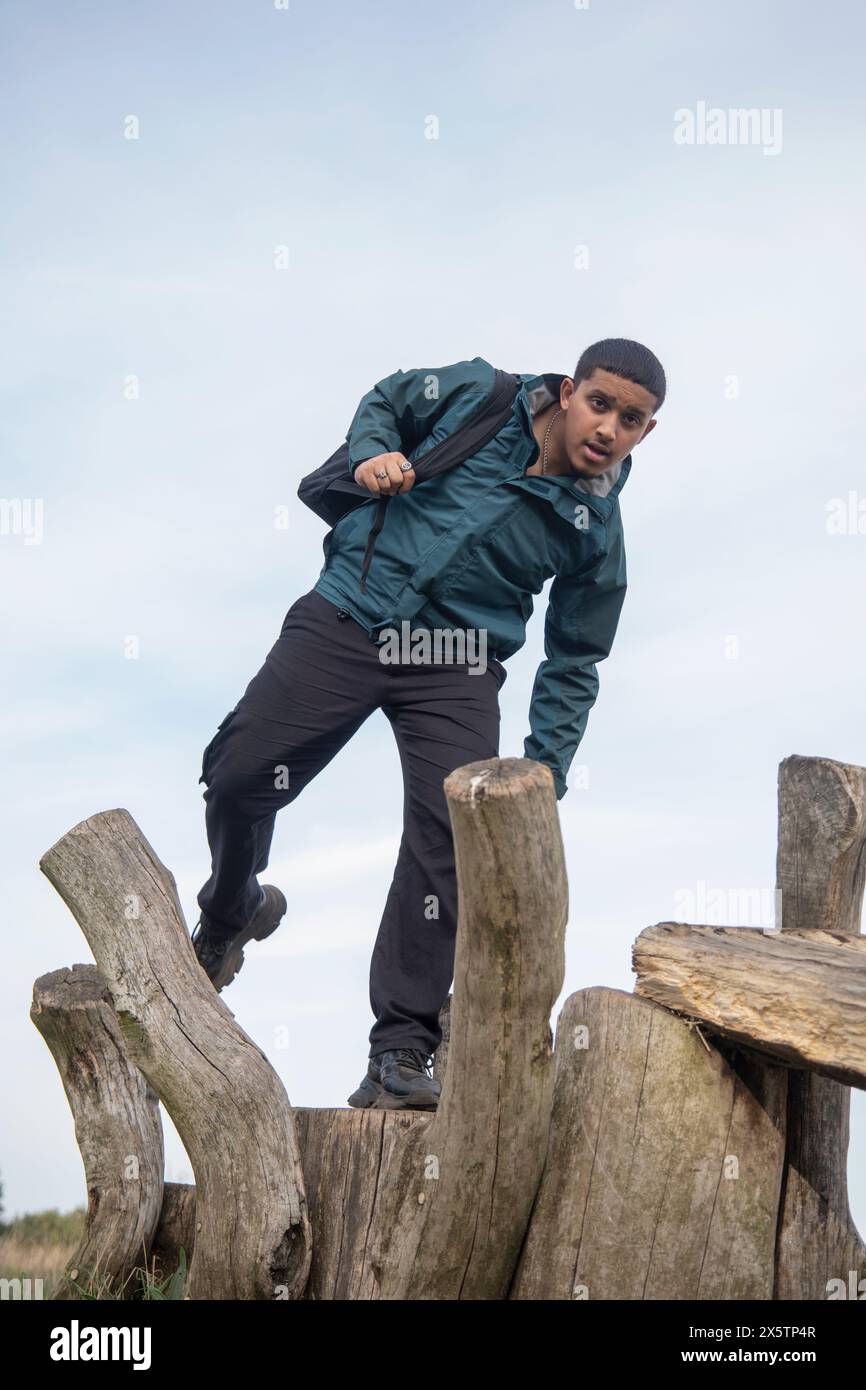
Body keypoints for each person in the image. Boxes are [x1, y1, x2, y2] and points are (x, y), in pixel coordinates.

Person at [191, 337, 665, 1111]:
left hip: (457, 662)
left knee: (451, 837)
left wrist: (544, 769)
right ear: (570, 391)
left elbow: (575, 660)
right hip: (350, 613)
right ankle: (232, 907)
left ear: (649, 433)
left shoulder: (595, 530)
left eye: (633, 419)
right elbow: (388, 397)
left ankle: (401, 1050)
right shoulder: (482, 394)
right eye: (601, 404)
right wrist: (375, 450)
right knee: (241, 776)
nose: (609, 428)